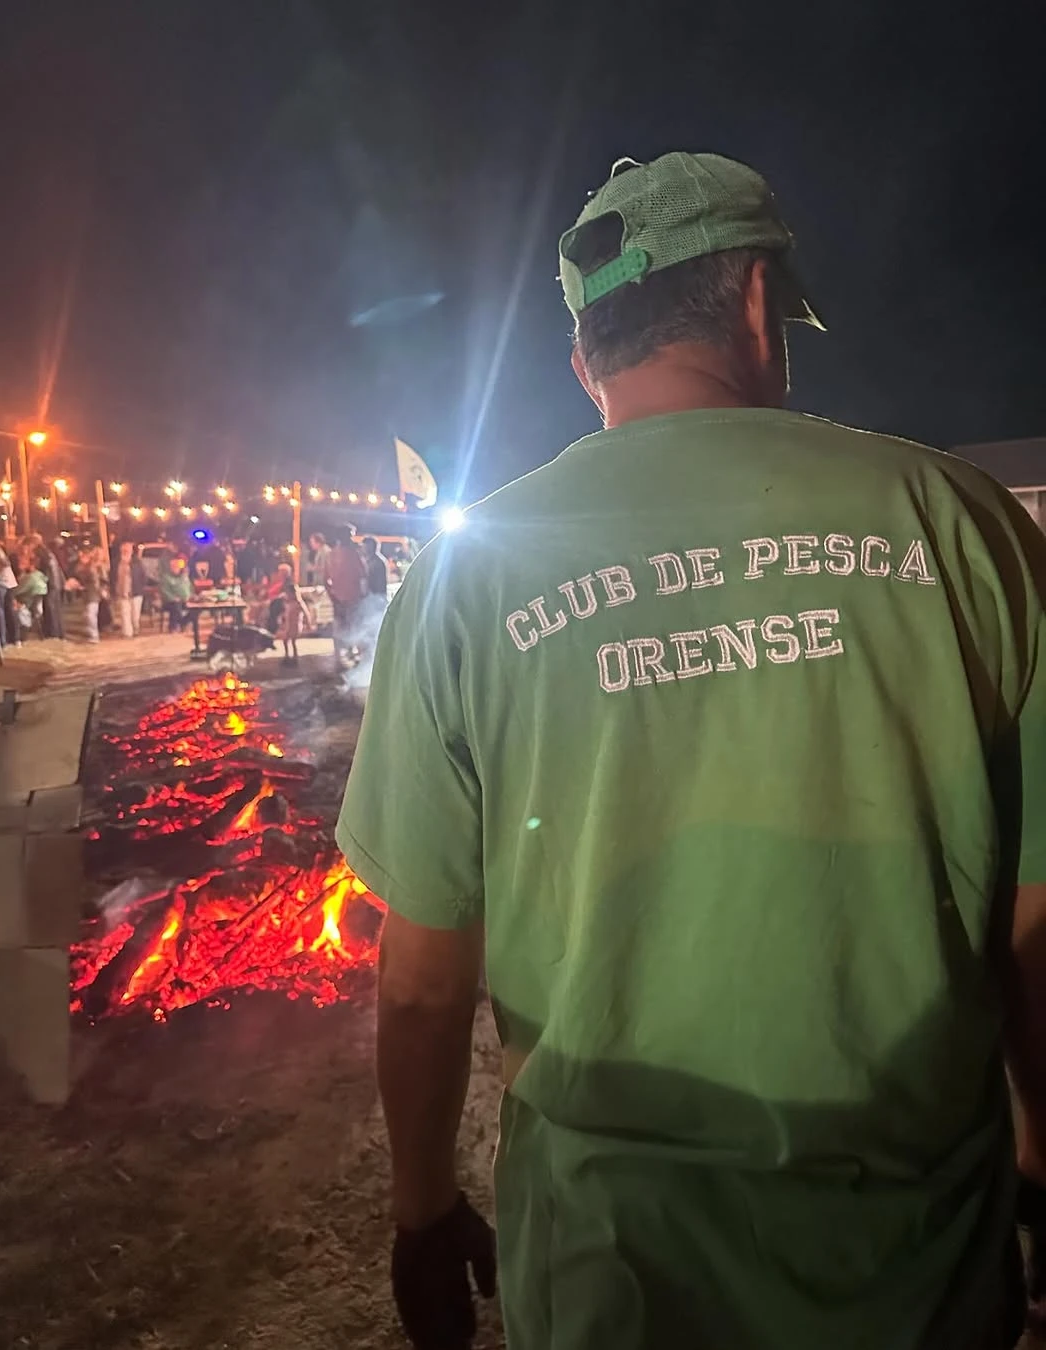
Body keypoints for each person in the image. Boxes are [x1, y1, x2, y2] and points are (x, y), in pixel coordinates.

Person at [336, 150, 1046, 1350]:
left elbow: (421, 982)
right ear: (761, 302)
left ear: (584, 360)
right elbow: (1035, 922)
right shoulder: (962, 525)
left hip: (614, 1278)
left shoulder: (463, 582)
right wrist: (1039, 1155)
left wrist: (420, 1211)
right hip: (914, 1276)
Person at [327, 524, 367, 669]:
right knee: (347, 627)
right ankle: (343, 656)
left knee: (347, 627)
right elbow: (363, 574)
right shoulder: (351, 554)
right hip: (348, 598)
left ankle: (347, 655)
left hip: (346, 597)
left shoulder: (335, 553)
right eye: (350, 534)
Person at [276, 577, 313, 667]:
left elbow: (306, 613)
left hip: (295, 625)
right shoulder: (289, 602)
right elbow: (286, 612)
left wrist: (308, 623)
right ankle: (287, 656)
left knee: (292, 641)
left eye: (289, 593)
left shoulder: (299, 603)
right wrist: (281, 618)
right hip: (289, 624)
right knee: (286, 640)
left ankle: (294, 658)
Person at [112, 540, 145, 638]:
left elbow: (143, 576)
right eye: (124, 547)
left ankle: (135, 628)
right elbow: (112, 577)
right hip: (122, 592)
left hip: (135, 592)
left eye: (128, 548)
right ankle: (127, 633)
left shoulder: (137, 562)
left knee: (135, 615)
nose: (126, 550)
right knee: (125, 613)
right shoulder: (116, 562)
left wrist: (140, 587)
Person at [77, 546, 108, 643]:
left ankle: (94, 636)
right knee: (87, 615)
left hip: (93, 594)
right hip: (87, 594)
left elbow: (99, 580)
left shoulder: (93, 567)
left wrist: (102, 590)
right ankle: (91, 634)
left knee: (90, 615)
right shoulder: (83, 567)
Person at [158, 554, 192, 632]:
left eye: (177, 566)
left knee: (196, 609)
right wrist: (173, 598)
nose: (176, 568)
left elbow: (188, 588)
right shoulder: (166, 577)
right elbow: (164, 591)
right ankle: (173, 626)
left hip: (184, 600)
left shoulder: (184, 577)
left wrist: (189, 597)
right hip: (169, 601)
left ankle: (183, 622)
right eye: (173, 566)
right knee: (176, 605)